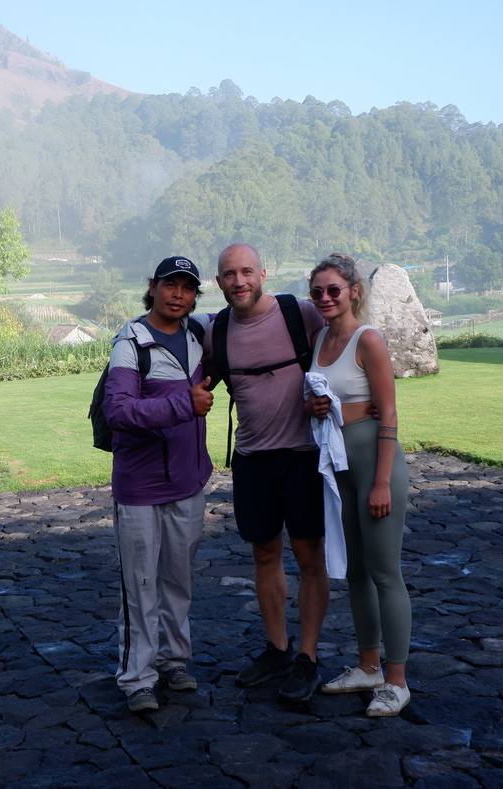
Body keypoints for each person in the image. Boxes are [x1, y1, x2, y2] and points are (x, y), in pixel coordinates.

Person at [208, 244, 328, 703]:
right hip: (253, 459)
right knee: (263, 554)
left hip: (302, 455)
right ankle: (278, 649)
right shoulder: (215, 332)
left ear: (263, 272)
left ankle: (308, 657)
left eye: (246, 272)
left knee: (308, 555)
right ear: (218, 283)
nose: (238, 282)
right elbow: (198, 382)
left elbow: (340, 352)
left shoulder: (300, 314)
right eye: (228, 275)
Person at [103, 256, 214, 713]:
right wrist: (182, 404)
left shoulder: (198, 336)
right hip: (140, 487)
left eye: (187, 288)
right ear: (152, 287)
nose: (178, 295)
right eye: (170, 285)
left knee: (177, 580)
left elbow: (248, 312)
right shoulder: (131, 342)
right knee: (141, 583)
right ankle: (137, 678)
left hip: (187, 481)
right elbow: (119, 411)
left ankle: (173, 661)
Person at [306, 253, 412, 717]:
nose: (326, 298)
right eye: (318, 292)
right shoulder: (320, 339)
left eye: (333, 290)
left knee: (385, 571)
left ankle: (396, 680)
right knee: (355, 571)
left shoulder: (367, 340)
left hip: (374, 466)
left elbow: (388, 414)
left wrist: (383, 482)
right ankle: (367, 666)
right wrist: (315, 409)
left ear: (353, 291)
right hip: (340, 469)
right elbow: (327, 400)